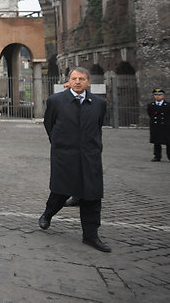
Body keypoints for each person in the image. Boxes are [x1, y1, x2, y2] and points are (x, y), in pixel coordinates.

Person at [38, 67, 111, 253]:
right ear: (68, 81)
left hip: (90, 156)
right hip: (65, 155)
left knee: (92, 195)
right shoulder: (56, 101)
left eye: (82, 79)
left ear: (88, 82)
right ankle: (47, 214)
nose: (77, 82)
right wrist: (59, 144)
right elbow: (50, 125)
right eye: (74, 78)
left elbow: (98, 124)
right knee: (60, 191)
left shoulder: (98, 103)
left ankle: (91, 235)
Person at [148, 88, 169, 162]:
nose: (158, 96)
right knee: (156, 142)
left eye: (159, 95)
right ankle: (157, 156)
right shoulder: (151, 105)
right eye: (156, 95)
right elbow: (150, 114)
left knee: (168, 142)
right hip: (156, 126)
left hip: (166, 126)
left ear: (163, 96)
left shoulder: (168, 105)